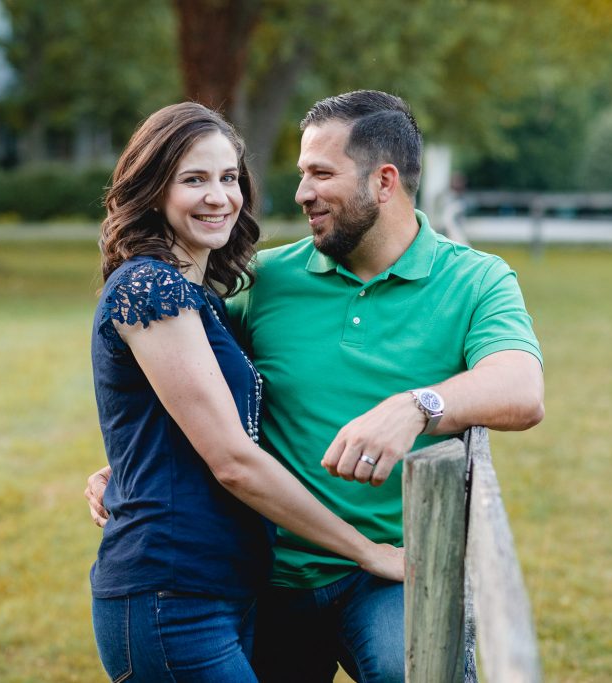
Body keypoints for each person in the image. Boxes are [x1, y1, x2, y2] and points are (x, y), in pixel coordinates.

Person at [87, 90, 544, 682]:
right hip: (267, 576)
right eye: (302, 173)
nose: (301, 192)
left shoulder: (476, 279)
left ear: (383, 182)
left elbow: (521, 388)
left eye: (321, 174)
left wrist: (417, 405)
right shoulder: (266, 279)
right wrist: (129, 461)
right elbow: (183, 383)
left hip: (386, 574)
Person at [87, 101, 403, 683]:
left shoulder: (201, 297)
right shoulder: (149, 287)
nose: (219, 196)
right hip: (170, 596)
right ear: (154, 191)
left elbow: (160, 421)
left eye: (229, 178)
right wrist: (369, 551)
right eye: (194, 180)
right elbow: (233, 460)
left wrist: (127, 464)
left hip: (223, 589)